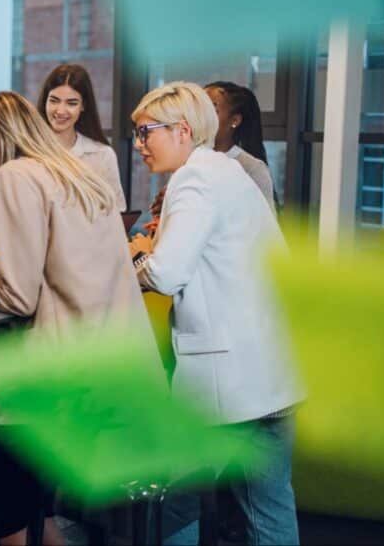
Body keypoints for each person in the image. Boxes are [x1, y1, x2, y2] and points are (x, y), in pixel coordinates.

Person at [0, 91, 159, 546]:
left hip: (72, 378)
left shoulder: (15, 176)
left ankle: (21, 540)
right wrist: (2, 266)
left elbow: (18, 299)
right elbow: (69, 264)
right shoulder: (76, 173)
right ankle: (47, 534)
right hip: (122, 368)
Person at [128, 81, 304, 546]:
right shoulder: (230, 174)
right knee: (269, 513)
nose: (139, 144)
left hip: (226, 385)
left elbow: (165, 275)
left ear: (182, 130)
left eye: (146, 132)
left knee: (176, 499)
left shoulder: (194, 178)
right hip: (271, 375)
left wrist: (135, 261)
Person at [37, 63, 126, 210]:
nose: (60, 111)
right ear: (45, 101)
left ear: (83, 106)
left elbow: (117, 211)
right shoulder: (27, 151)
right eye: (54, 100)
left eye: (71, 103)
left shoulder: (102, 155)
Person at [205, 81, 277, 211]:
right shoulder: (188, 160)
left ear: (235, 121)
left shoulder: (253, 169)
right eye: (199, 110)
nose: (203, 117)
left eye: (212, 111)